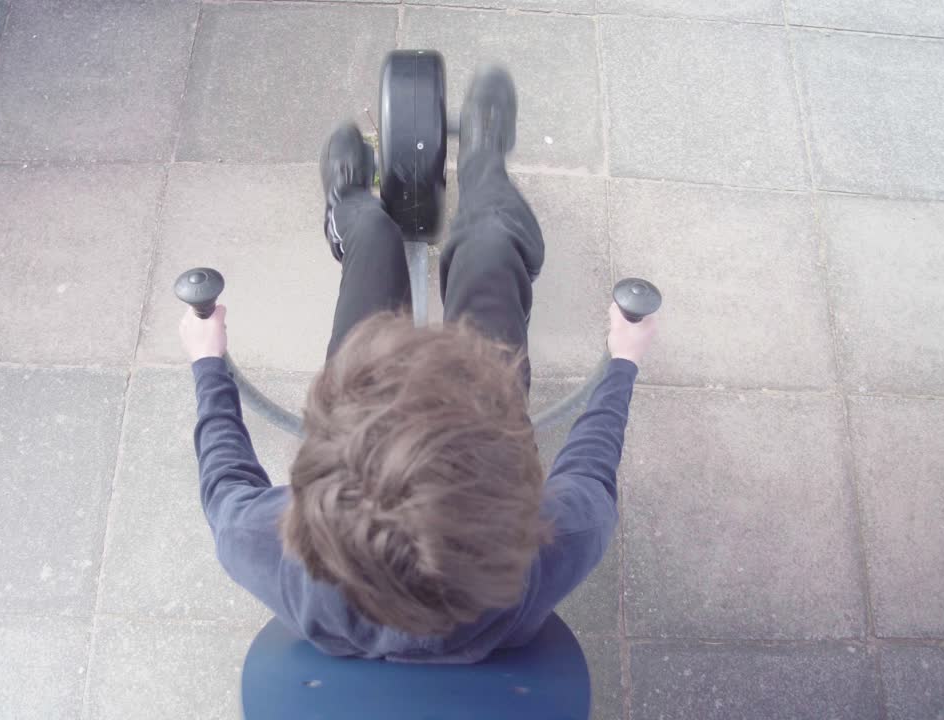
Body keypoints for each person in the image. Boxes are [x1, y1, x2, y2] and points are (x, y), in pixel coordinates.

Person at [178, 65, 657, 663]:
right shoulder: (557, 545)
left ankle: (351, 208)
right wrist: (622, 362)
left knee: (375, 238)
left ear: (307, 500)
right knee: (488, 245)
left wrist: (207, 361)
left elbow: (225, 484)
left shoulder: (274, 552)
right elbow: (590, 474)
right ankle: (485, 171)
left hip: (401, 430)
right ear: (519, 507)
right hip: (419, 430)